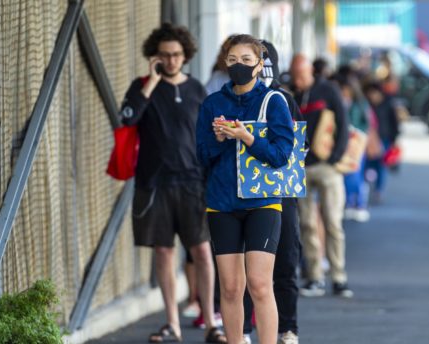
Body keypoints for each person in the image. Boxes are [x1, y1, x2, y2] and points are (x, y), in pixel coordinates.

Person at [119, 23, 225, 343]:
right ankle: (172, 324)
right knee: (163, 253)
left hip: (193, 182)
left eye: (176, 54)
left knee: (203, 252)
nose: (171, 60)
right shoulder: (143, 87)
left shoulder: (196, 89)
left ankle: (211, 322)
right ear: (155, 57)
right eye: (164, 55)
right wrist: (151, 82)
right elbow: (127, 117)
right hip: (155, 184)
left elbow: (210, 133)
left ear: (186, 55)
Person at [196, 34, 294, 344]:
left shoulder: (274, 101)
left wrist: (248, 137)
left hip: (263, 202)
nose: (240, 66)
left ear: (259, 64)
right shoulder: (212, 104)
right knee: (230, 287)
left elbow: (281, 155)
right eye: (233, 60)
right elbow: (201, 155)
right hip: (222, 203)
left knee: (260, 284)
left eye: (247, 60)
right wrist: (219, 139)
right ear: (225, 62)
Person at [241, 40, 303, 344]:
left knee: (286, 259)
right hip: (245, 193)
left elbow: (297, 148)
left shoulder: (285, 100)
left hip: (282, 192)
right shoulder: (233, 100)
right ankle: (242, 329)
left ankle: (287, 328)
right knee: (246, 266)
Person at [289, 54, 353, 298]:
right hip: (301, 167)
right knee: (306, 223)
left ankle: (338, 276)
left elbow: (343, 122)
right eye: (295, 76)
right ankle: (314, 276)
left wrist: (336, 157)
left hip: (327, 166)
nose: (299, 80)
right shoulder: (290, 95)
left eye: (302, 75)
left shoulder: (327, 90)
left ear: (311, 72)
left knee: (332, 221)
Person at [332, 69, 371, 223]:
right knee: (346, 173)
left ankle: (360, 205)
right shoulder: (342, 102)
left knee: (355, 174)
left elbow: (366, 123)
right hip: (344, 141)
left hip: (356, 143)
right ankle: (349, 204)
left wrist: (359, 133)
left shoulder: (360, 103)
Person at [363, 82, 400, 203]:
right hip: (368, 140)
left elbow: (394, 123)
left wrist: (394, 140)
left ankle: (379, 191)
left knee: (381, 166)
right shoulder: (367, 105)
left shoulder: (388, 103)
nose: (372, 96)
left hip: (384, 139)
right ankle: (366, 189)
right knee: (367, 165)